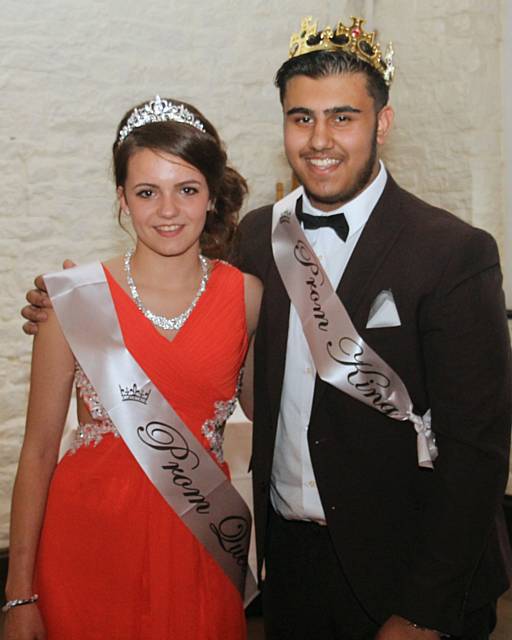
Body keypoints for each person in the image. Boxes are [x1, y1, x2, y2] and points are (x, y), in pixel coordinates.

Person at [20, 14, 512, 640]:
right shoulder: (258, 237)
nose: (320, 138)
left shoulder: (452, 252)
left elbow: (478, 449)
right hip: (292, 570)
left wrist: (423, 611)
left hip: (407, 567)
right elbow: (171, 303)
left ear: (382, 124)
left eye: (343, 116)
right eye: (301, 117)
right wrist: (63, 305)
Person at [7, 95, 262, 640]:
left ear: (212, 196)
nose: (167, 210)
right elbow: (36, 451)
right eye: (147, 192)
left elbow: (273, 410)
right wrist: (18, 595)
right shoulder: (70, 300)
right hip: (89, 543)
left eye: (187, 189)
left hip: (200, 537)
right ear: (122, 198)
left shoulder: (248, 298)